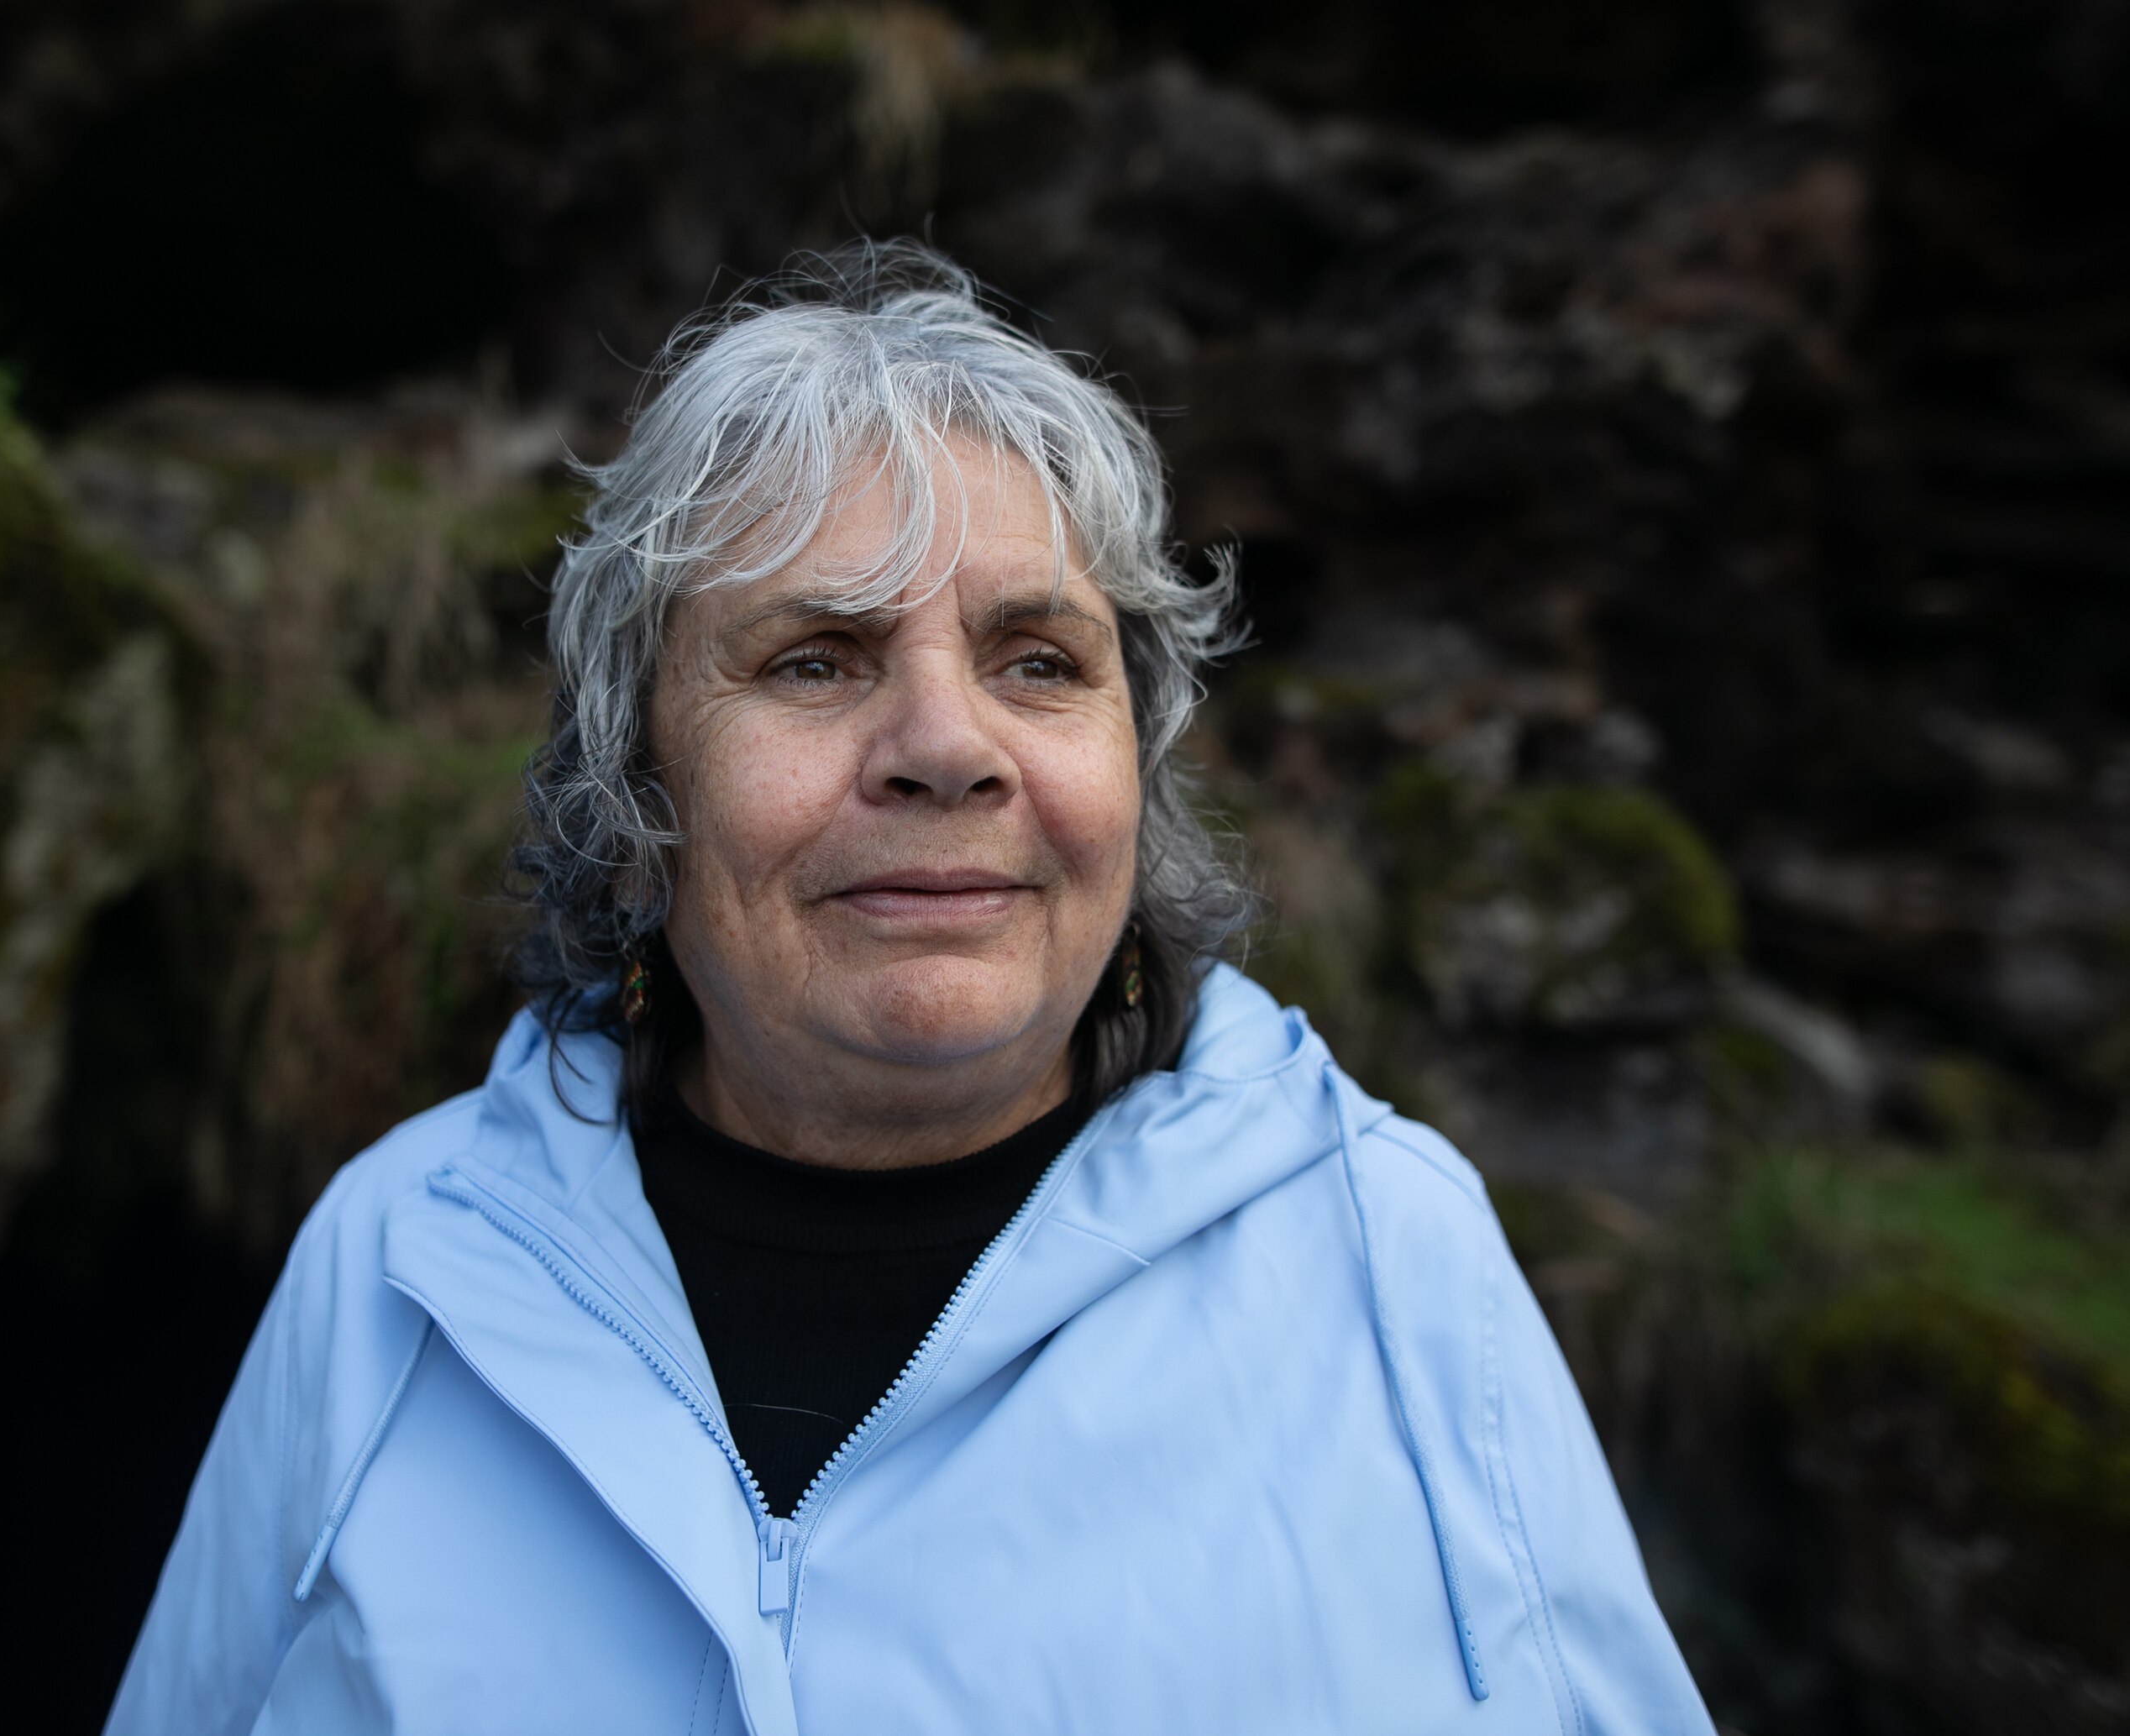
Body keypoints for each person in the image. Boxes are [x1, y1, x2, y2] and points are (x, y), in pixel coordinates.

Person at [106, 244, 1709, 1734]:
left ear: (1133, 775)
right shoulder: (396, 1264)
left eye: (1036, 662)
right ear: (636, 785)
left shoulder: (1394, 1250)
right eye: (815, 659)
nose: (949, 749)